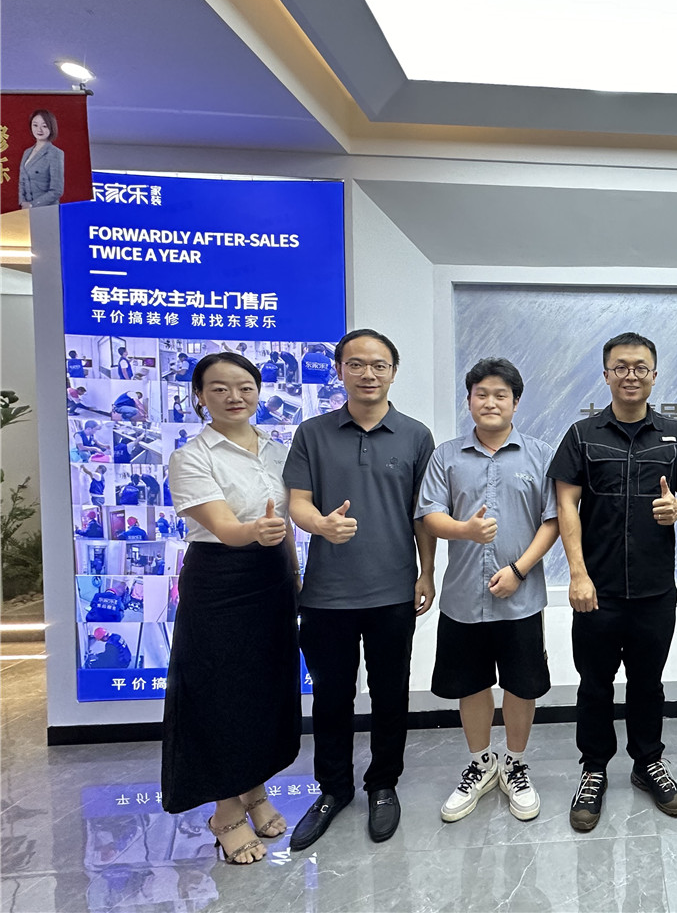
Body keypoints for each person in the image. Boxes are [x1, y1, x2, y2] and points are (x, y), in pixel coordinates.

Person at [549, 331, 677, 832]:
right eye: (621, 367)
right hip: (596, 591)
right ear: (606, 375)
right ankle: (594, 769)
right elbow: (566, 503)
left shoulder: (675, 434)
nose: (631, 375)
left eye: (640, 367)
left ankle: (648, 763)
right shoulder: (583, 435)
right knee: (595, 685)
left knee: (647, 683)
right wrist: (577, 574)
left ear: (654, 375)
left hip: (655, 590)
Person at [285, 329, 436, 850]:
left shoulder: (415, 436)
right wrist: (320, 525)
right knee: (332, 697)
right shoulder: (312, 433)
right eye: (356, 364)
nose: (367, 374)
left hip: (393, 589)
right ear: (339, 371)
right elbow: (298, 502)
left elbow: (422, 514)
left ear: (393, 371)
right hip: (327, 593)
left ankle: (383, 784)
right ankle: (333, 789)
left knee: (391, 693)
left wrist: (426, 572)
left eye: (378, 365)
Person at [161, 351, 301, 866]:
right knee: (220, 694)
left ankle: (254, 788)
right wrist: (257, 532)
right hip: (220, 581)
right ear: (200, 396)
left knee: (263, 689)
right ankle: (225, 812)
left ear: (259, 391)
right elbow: (224, 527)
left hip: (272, 577)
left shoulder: (279, 451)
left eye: (244, 387)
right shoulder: (192, 456)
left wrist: (294, 575)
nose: (234, 397)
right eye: (219, 388)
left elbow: (284, 525)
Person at [418, 358, 559, 824]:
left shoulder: (540, 455)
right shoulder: (446, 456)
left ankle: (514, 764)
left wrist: (518, 570)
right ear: (469, 401)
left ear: (516, 402)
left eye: (501, 395)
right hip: (463, 597)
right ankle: (481, 764)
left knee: (521, 686)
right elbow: (429, 515)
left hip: (522, 597)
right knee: (472, 684)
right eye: (482, 394)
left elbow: (553, 521)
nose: (491, 402)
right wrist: (464, 530)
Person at [18, 109, 64, 209]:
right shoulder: (27, 152)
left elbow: (57, 190)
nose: (39, 129)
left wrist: (32, 204)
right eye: (35, 125)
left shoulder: (55, 153)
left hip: (47, 210)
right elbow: (22, 182)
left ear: (51, 127)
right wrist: (22, 202)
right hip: (26, 209)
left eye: (44, 126)